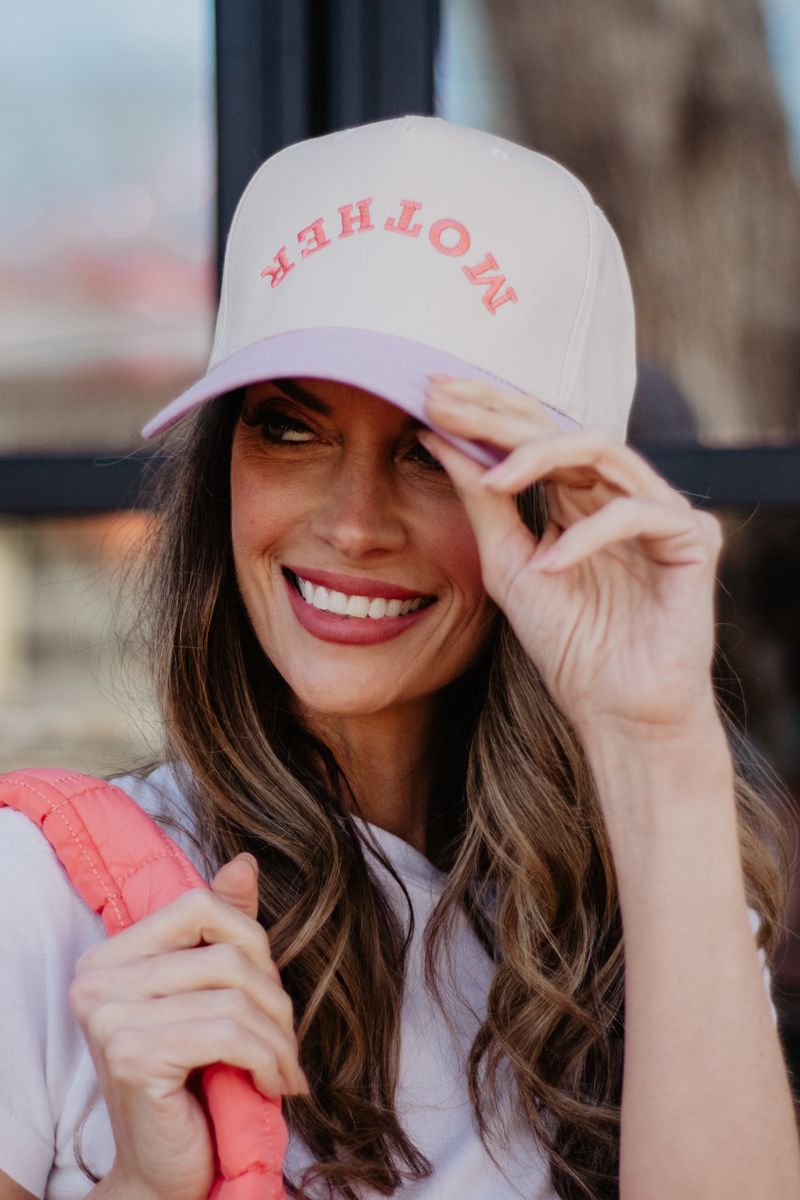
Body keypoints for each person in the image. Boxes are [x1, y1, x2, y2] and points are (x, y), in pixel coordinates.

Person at [0, 116, 797, 1200]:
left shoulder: (652, 908)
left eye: (434, 454)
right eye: (289, 428)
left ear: (557, 504)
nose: (353, 524)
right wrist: (144, 1183)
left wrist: (655, 741)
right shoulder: (41, 899)